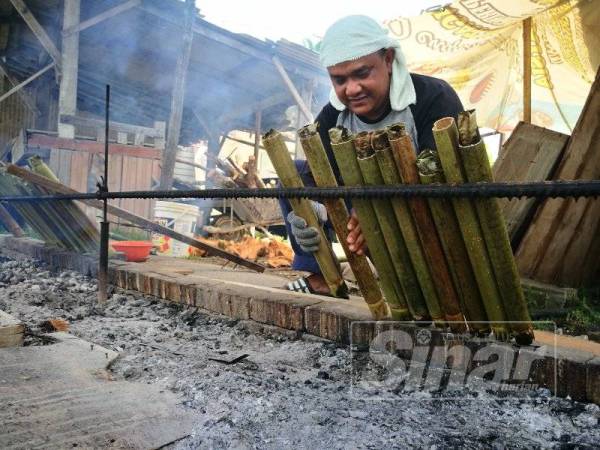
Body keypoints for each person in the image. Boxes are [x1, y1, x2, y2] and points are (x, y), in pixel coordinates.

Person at [281, 15, 464, 295]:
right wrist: (306, 213)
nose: (351, 89)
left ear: (388, 59)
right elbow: (317, 180)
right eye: (339, 80)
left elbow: (443, 177)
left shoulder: (433, 97)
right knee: (290, 178)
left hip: (427, 218)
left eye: (362, 73)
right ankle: (322, 277)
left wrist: (378, 210)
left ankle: (420, 290)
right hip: (360, 213)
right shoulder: (333, 116)